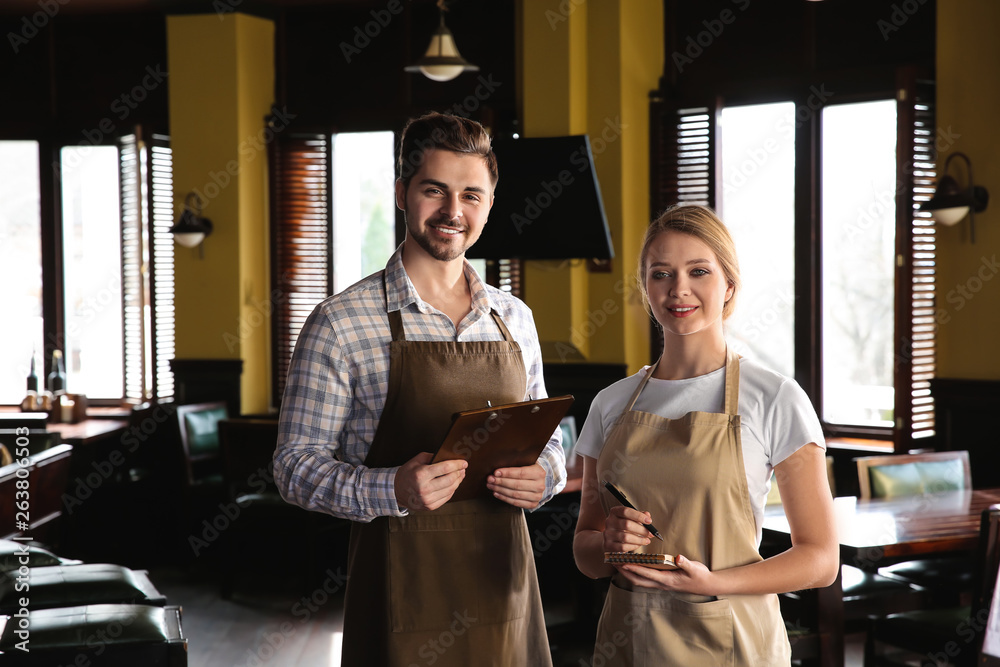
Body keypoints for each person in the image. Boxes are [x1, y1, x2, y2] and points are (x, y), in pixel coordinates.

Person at [273, 111, 565, 667]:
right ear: (403, 194)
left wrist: (546, 476)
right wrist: (391, 490)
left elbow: (547, 441)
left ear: (489, 203)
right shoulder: (340, 322)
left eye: (472, 195)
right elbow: (292, 467)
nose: (454, 212)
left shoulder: (514, 317)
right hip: (399, 597)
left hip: (505, 591)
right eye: (436, 191)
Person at [572, 204, 838, 665]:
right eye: (661, 274)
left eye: (699, 271)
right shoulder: (610, 403)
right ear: (645, 288)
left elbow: (820, 559)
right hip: (629, 640)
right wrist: (608, 542)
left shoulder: (774, 398)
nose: (679, 289)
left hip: (733, 639)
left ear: (728, 285)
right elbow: (585, 550)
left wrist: (713, 584)